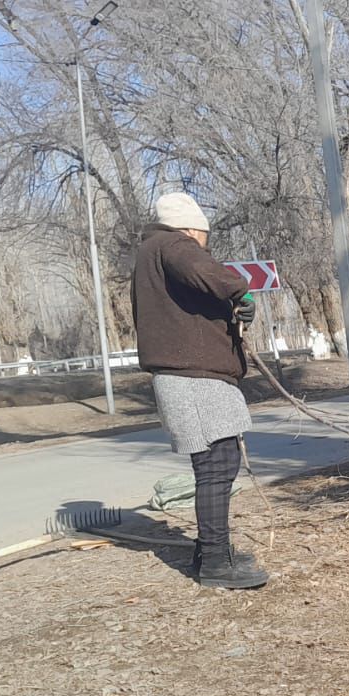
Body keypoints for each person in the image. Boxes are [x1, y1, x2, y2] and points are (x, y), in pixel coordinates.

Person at [131, 191, 268, 589]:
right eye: (204, 239)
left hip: (191, 376)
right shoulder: (173, 244)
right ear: (193, 229)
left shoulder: (153, 254)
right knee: (215, 466)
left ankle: (212, 552)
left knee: (217, 464)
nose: (204, 247)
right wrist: (239, 290)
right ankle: (215, 564)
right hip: (193, 379)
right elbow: (202, 269)